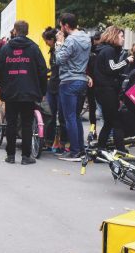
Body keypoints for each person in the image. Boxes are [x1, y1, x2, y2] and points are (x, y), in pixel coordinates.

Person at [0, 20, 47, 165]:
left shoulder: (6, 49)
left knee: (11, 123)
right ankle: (26, 156)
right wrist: (42, 90)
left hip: (11, 92)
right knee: (27, 124)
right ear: (27, 31)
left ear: (15, 31)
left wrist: (3, 86)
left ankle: (10, 155)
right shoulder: (34, 48)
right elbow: (42, 70)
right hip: (29, 92)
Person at [55, 13, 91, 161]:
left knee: (69, 117)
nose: (60, 28)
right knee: (75, 117)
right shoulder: (86, 38)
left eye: (61, 25)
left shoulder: (70, 41)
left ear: (66, 26)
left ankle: (75, 151)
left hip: (69, 80)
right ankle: (80, 149)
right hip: (82, 79)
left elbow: (58, 59)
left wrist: (59, 43)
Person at [93, 26, 134, 152]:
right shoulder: (109, 51)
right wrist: (126, 61)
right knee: (116, 122)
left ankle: (101, 149)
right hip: (107, 91)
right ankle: (120, 150)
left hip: (103, 90)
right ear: (114, 36)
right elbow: (112, 68)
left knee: (109, 122)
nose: (123, 39)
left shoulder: (103, 50)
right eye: (121, 36)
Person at [42, 26, 67, 153]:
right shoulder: (52, 51)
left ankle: (63, 143)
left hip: (60, 85)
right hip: (52, 86)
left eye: (46, 40)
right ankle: (49, 141)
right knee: (50, 115)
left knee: (62, 116)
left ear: (52, 39)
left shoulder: (60, 49)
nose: (45, 43)